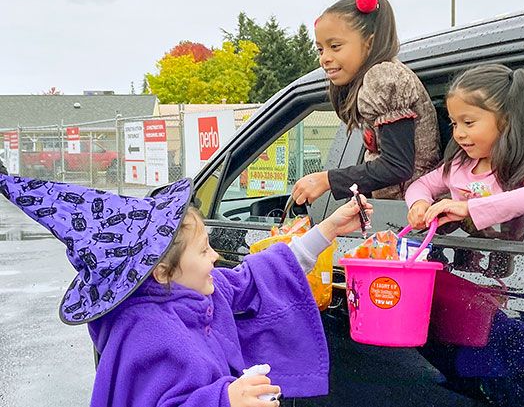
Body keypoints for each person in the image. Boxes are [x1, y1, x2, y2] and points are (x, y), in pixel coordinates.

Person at [0, 162, 372, 407]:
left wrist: (329, 229)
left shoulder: (190, 290)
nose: (215, 257)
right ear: (162, 270)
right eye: (204, 249)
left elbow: (255, 276)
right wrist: (226, 399)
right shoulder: (145, 333)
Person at [292, 0, 440, 204]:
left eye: (335, 46)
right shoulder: (373, 80)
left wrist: (327, 180)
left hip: (413, 213)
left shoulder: (383, 76)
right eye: (320, 49)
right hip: (399, 212)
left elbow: (397, 166)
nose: (324, 58)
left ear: (369, 43)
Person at [405, 63, 524, 232]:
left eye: (468, 123)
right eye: (454, 123)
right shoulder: (461, 164)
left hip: (516, 253)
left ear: (506, 120)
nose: (458, 133)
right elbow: (421, 185)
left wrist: (469, 207)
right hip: (467, 251)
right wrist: (420, 203)